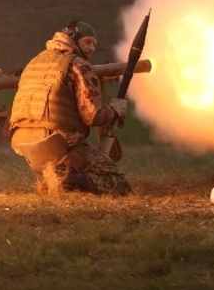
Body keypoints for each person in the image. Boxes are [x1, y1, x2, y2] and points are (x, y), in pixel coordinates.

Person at [8, 20, 131, 195]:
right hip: (58, 142)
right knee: (119, 184)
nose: (92, 48)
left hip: (24, 145)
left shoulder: (34, 62)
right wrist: (116, 108)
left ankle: (56, 177)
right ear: (73, 39)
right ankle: (66, 179)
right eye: (87, 41)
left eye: (94, 44)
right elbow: (93, 116)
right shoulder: (78, 65)